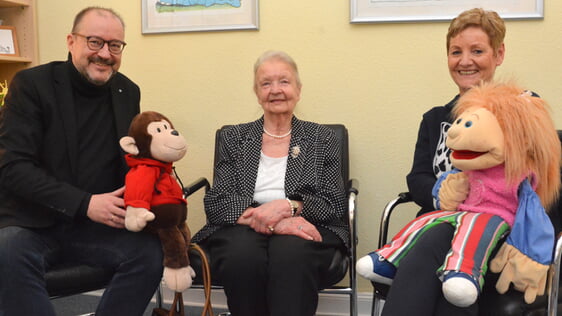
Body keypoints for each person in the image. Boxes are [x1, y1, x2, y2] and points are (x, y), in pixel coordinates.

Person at [0, 7, 163, 316]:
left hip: (95, 227)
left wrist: (154, 188)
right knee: (6, 252)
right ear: (71, 41)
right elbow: (13, 169)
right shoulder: (31, 85)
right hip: (31, 223)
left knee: (149, 253)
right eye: (94, 42)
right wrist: (85, 203)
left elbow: (130, 159)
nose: (105, 53)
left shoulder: (126, 90)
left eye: (115, 45)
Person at [358, 8, 509, 316]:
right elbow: (418, 179)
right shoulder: (435, 119)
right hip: (438, 222)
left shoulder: (519, 112)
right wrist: (444, 195)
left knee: (434, 241)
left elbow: (541, 181)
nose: (464, 61)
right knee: (444, 275)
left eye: (477, 51)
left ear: (499, 54)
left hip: (495, 232)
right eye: (456, 52)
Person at [191, 50, 348, 316]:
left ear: (298, 89)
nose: (275, 90)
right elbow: (217, 203)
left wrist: (289, 207)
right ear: (256, 91)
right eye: (266, 83)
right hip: (242, 226)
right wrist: (276, 220)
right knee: (243, 257)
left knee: (292, 255)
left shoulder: (322, 138)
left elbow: (333, 204)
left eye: (284, 82)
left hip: (305, 224)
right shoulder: (235, 138)